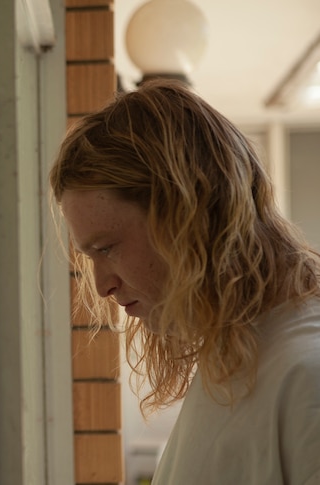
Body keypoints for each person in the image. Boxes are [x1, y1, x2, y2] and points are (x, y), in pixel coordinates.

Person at [49, 79, 320, 484]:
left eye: (107, 248)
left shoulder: (305, 376)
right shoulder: (238, 354)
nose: (103, 285)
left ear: (186, 216)